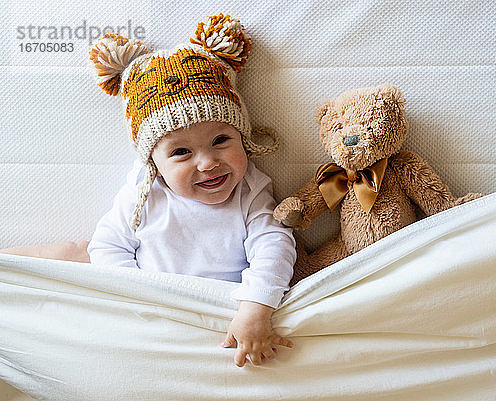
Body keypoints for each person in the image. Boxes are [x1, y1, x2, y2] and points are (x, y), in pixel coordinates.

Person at [3, 14, 296, 368]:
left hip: (216, 308)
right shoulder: (145, 192)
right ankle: (13, 266)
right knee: (78, 259)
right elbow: (109, 245)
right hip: (148, 299)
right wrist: (136, 296)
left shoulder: (249, 190)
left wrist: (256, 306)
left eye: (221, 140)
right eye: (181, 152)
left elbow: (274, 246)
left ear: (243, 139)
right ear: (154, 163)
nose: (207, 163)